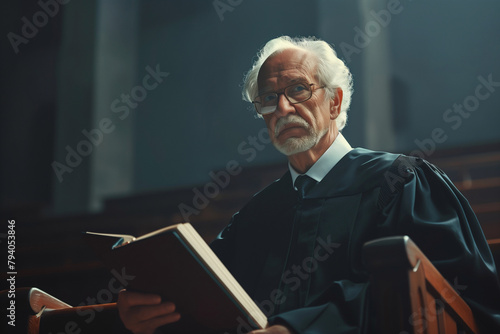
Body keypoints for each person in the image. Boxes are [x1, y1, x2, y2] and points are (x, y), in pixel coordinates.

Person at [117, 36, 500, 333]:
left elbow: (447, 293)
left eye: (297, 90)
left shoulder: (401, 183)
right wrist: (148, 312)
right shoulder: (256, 217)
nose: (282, 109)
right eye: (268, 99)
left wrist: (298, 328)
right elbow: (209, 300)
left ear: (334, 102)